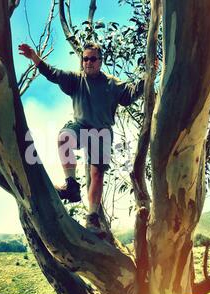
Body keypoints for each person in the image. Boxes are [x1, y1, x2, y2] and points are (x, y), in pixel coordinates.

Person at [18, 42, 144, 235]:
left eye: (93, 59)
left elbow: (129, 95)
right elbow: (53, 73)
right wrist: (34, 57)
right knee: (63, 138)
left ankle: (92, 217)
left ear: (100, 61)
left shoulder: (112, 83)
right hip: (81, 127)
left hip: (102, 132)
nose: (88, 62)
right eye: (85, 59)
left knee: (97, 174)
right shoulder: (75, 80)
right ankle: (71, 186)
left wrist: (149, 74)